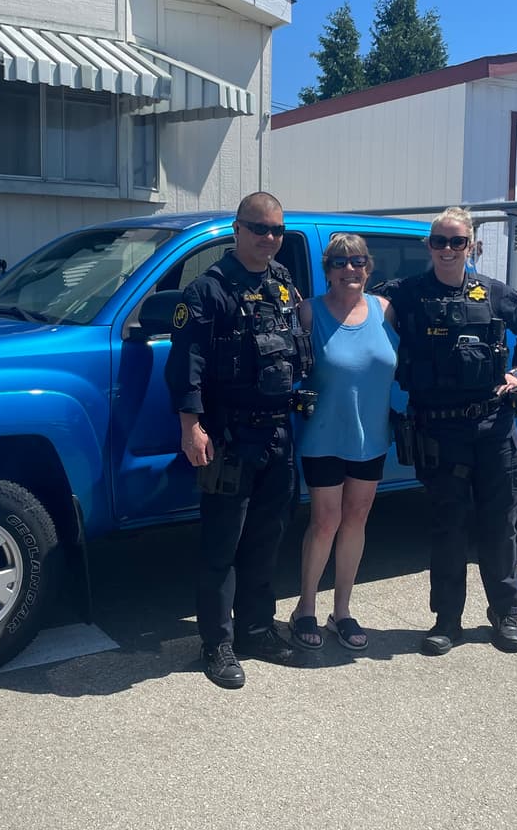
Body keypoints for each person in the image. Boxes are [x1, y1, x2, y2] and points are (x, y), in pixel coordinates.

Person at [380, 206, 517, 656]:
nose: (448, 249)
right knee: (447, 527)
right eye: (440, 241)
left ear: (472, 246)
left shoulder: (494, 293)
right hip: (440, 431)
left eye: (457, 241)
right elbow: (356, 304)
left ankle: (505, 615)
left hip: (493, 426)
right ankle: (447, 620)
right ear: (429, 245)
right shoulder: (407, 293)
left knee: (499, 525)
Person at [165, 191, 312, 689]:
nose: (269, 238)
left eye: (277, 230)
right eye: (259, 228)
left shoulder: (282, 283)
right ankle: (217, 643)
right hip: (228, 436)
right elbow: (185, 364)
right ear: (237, 229)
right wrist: (191, 426)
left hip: (277, 432)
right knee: (221, 546)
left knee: (266, 541)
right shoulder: (208, 290)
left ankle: (255, 630)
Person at [289, 234, 398, 651]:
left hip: (371, 438)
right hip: (323, 436)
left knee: (357, 519)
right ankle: (305, 608)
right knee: (325, 522)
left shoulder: (385, 310)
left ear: (368, 267)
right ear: (327, 270)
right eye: (339, 262)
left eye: (357, 261)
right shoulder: (309, 312)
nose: (349, 269)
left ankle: (342, 611)